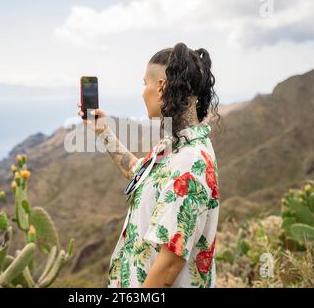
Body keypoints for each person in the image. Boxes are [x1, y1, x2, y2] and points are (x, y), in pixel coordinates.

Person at [77, 42, 221, 288]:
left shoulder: (189, 164)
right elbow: (137, 171)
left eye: (145, 83)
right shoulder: (175, 147)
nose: (143, 91)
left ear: (161, 87)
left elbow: (168, 267)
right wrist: (102, 131)